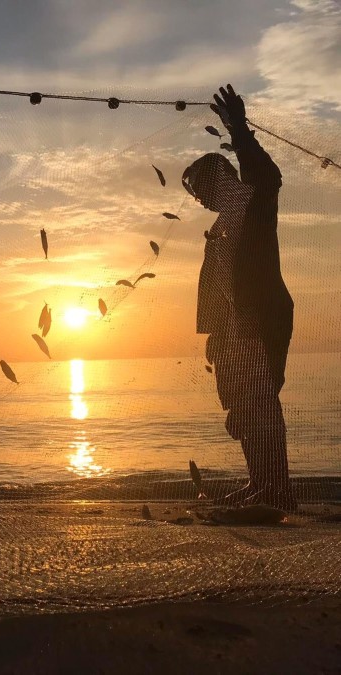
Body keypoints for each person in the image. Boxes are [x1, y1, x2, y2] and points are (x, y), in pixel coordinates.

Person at [182, 84, 295, 510]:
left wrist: (240, 130)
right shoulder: (222, 225)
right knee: (240, 407)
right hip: (233, 327)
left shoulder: (252, 200)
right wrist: (213, 332)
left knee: (260, 402)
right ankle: (260, 483)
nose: (198, 200)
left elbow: (270, 176)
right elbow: (217, 283)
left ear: (216, 178)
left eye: (198, 189)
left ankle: (277, 490)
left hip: (262, 316)